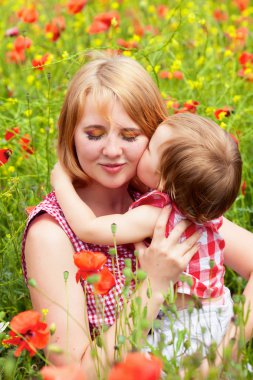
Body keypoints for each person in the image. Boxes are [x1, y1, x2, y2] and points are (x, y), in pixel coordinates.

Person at [22, 53, 253, 377]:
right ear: (69, 134)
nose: (113, 150)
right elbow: (76, 373)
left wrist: (225, 349)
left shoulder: (167, 199)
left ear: (154, 136)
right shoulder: (52, 233)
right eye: (94, 134)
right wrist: (155, 285)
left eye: (130, 136)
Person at [50, 112, 242, 360]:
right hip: (219, 313)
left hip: (183, 327)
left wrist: (62, 182)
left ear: (162, 179)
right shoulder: (205, 215)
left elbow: (89, 228)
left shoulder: (157, 214)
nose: (143, 151)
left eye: (149, 148)